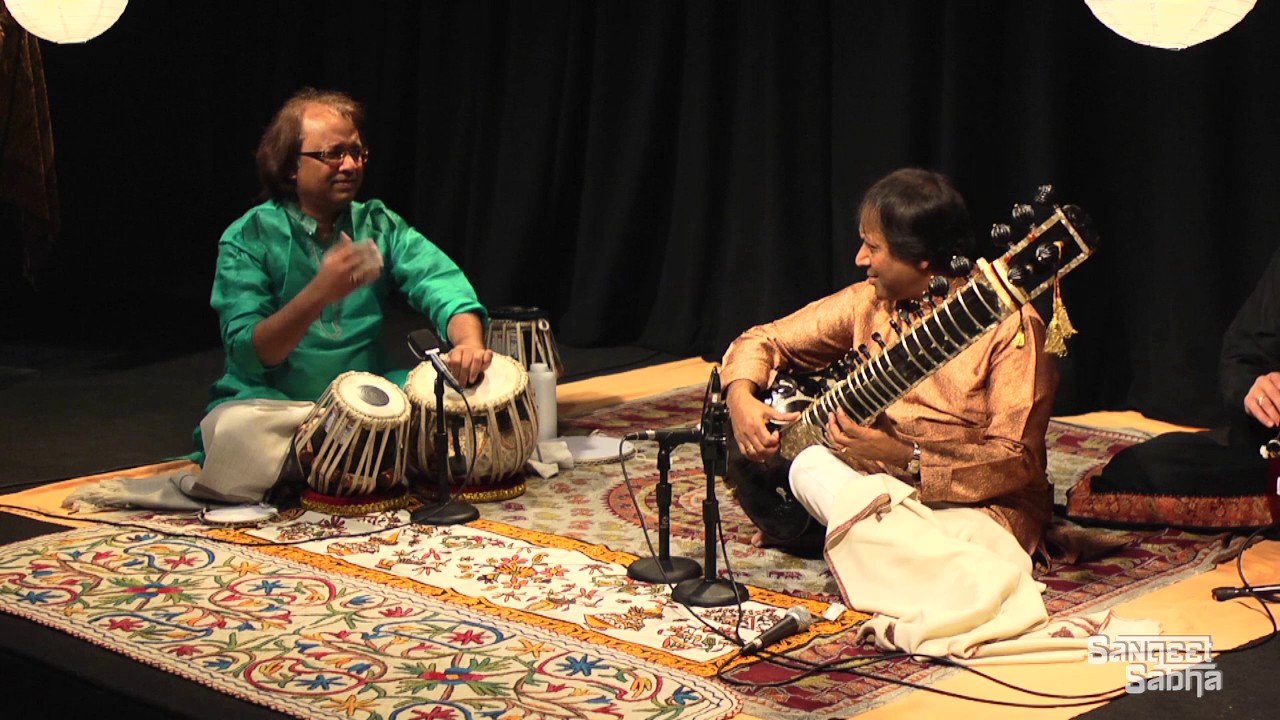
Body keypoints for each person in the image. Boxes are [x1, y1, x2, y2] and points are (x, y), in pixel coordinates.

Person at [720, 168, 1058, 657]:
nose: (860, 260)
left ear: (921, 257)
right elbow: (764, 338)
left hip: (979, 508)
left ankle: (930, 566)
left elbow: (1016, 461)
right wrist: (740, 398)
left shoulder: (1013, 329)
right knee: (811, 467)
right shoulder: (869, 305)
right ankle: (923, 564)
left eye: (872, 248)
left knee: (956, 537)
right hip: (879, 491)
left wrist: (908, 456)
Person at [206, 87, 491, 415]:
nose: (351, 165)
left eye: (357, 152)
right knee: (240, 431)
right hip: (271, 403)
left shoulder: (377, 224)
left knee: (450, 406)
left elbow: (440, 283)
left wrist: (468, 343)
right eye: (333, 153)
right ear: (290, 166)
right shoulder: (249, 237)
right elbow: (249, 352)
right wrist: (319, 293)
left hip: (366, 398)